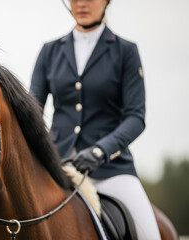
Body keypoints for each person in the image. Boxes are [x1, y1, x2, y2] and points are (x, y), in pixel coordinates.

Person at [30, 0, 161, 239]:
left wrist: (101, 151)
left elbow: (135, 117)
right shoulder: (50, 51)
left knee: (149, 234)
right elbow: (32, 113)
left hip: (111, 170)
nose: (81, 4)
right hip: (58, 167)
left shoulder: (125, 51)